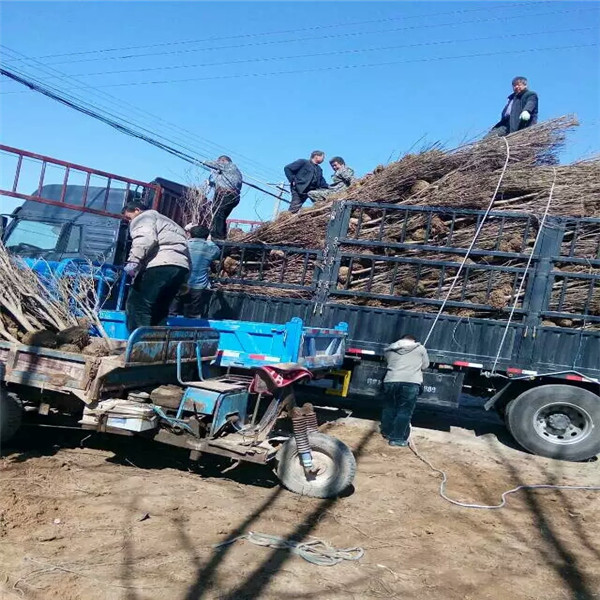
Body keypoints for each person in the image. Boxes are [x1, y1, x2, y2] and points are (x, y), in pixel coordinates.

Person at [122, 200, 190, 332]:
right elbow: (186, 250)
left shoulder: (144, 217)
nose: (128, 221)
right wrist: (186, 278)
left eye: (128, 217)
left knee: (137, 304)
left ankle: (140, 345)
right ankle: (158, 345)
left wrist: (133, 261)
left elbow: (145, 238)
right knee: (160, 308)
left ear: (137, 210)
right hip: (180, 268)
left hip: (160, 264)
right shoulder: (172, 224)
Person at [380, 334, 430, 447]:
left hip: (391, 381)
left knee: (389, 408)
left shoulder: (389, 349)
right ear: (413, 340)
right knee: (404, 411)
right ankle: (397, 438)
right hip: (411, 382)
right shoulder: (420, 349)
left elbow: (387, 362)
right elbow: (425, 366)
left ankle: (387, 432)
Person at [177, 225, 221, 318]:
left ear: (190, 234)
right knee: (194, 314)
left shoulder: (184, 245)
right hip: (198, 285)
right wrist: (209, 240)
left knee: (173, 312)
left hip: (180, 282)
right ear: (206, 236)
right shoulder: (211, 248)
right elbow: (217, 251)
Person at [205, 155, 243, 240]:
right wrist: (211, 184)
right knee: (220, 216)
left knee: (218, 213)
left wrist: (203, 161)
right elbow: (227, 184)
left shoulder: (228, 165)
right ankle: (221, 235)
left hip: (226, 195)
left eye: (219, 161)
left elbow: (210, 164)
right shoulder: (232, 172)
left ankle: (217, 237)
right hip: (232, 196)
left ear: (223, 160)